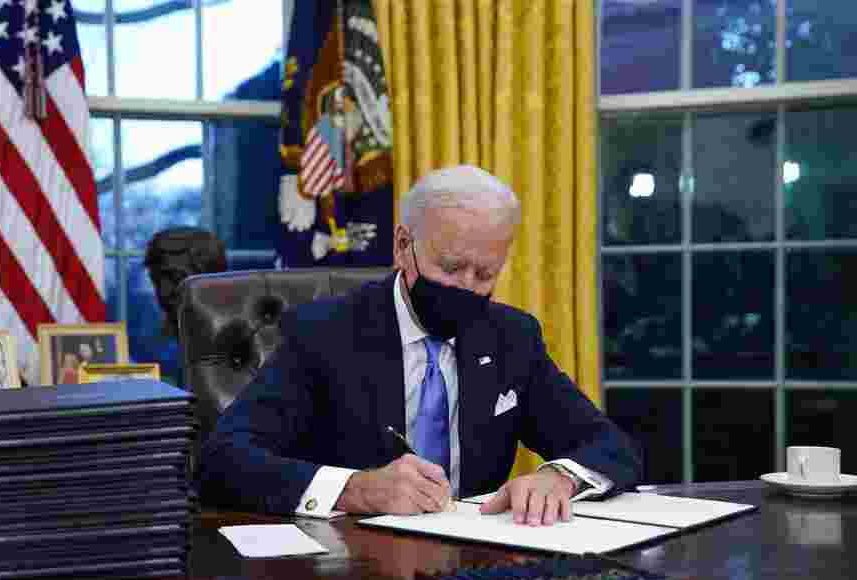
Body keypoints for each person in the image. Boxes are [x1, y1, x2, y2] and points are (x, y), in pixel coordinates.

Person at [200, 165, 642, 526]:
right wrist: (356, 489)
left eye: (485, 274)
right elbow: (222, 459)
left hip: (476, 564)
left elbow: (610, 445)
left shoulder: (512, 337)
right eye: (450, 267)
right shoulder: (323, 332)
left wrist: (560, 476)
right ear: (402, 246)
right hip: (352, 568)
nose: (466, 287)